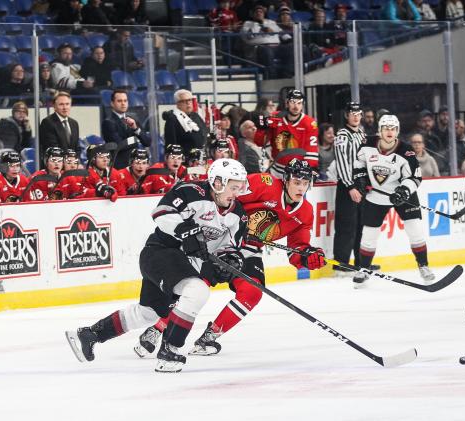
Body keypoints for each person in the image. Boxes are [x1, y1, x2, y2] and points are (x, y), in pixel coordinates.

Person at [66, 158, 249, 373]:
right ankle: (169, 349)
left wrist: (228, 261)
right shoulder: (191, 191)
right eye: (233, 187)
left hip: (182, 263)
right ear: (217, 182)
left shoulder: (238, 215)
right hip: (160, 252)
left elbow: (228, 247)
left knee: (150, 312)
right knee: (197, 291)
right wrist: (186, 231)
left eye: (239, 187)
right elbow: (161, 212)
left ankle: (90, 334)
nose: (236, 192)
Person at [185, 159, 325, 356]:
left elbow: (297, 248)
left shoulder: (306, 212)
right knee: (198, 284)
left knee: (252, 292)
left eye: (305, 183)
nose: (301, 188)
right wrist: (237, 225)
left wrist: (306, 258)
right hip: (221, 238)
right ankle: (158, 328)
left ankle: (209, 337)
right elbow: (226, 197)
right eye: (296, 182)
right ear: (286, 180)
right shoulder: (264, 183)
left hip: (249, 249)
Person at [354, 114, 435, 287]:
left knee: (414, 230)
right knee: (369, 234)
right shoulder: (367, 145)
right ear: (379, 130)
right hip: (377, 194)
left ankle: (424, 266)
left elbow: (415, 178)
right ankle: (364, 269)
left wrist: (404, 190)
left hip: (403, 194)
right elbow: (358, 163)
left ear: (397, 131)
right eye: (386, 128)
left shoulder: (406, 151)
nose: (389, 132)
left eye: (393, 129)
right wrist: (360, 179)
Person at [332, 102, 370, 279]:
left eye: (358, 113)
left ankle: (360, 263)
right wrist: (350, 186)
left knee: (362, 224)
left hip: (363, 184)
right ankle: (341, 264)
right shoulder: (342, 135)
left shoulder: (362, 133)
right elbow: (342, 162)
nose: (356, 116)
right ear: (346, 115)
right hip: (349, 185)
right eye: (352, 113)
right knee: (346, 225)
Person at [254, 89, 319, 178]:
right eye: (293, 102)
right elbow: (260, 142)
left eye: (299, 103)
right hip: (276, 171)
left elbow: (311, 152)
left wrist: (307, 171)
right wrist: (261, 129)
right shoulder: (275, 117)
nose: (296, 106)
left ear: (303, 105)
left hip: (298, 172)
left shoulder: (310, 123)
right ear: (287, 103)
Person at [101, 89, 152, 169]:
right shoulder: (108, 122)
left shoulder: (133, 118)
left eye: (125, 101)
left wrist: (135, 128)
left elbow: (147, 142)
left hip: (136, 164)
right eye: (119, 101)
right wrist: (136, 141)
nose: (123, 103)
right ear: (112, 103)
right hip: (119, 166)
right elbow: (120, 146)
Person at [38, 91, 80, 164]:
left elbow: (77, 148)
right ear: (54, 106)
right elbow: (53, 149)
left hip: (71, 164)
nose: (65, 107)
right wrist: (69, 162)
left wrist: (76, 162)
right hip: (55, 164)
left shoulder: (74, 123)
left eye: (67, 104)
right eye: (61, 104)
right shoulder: (47, 122)